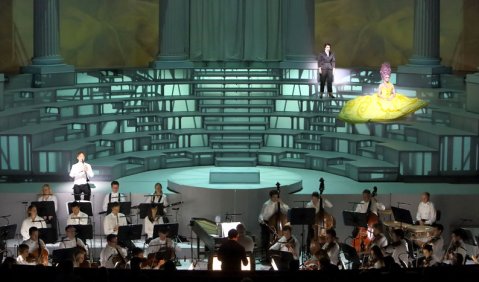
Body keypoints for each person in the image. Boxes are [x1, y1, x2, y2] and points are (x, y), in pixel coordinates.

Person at [338, 62, 428, 123]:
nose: (387, 78)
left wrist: (392, 97)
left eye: (388, 77)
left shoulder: (391, 85)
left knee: (402, 103)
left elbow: (393, 92)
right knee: (375, 108)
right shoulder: (381, 85)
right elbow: (378, 94)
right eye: (386, 77)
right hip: (382, 98)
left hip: (390, 98)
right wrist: (384, 98)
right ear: (383, 77)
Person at [258, 189, 290, 260]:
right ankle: (267, 256)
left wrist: (281, 203)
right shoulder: (266, 204)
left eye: (276, 197)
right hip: (266, 222)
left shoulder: (278, 202)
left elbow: (286, 210)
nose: (275, 199)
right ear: (270, 197)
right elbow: (261, 215)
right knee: (266, 240)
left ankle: (280, 253)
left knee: (279, 235)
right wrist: (262, 221)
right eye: (274, 197)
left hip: (275, 223)